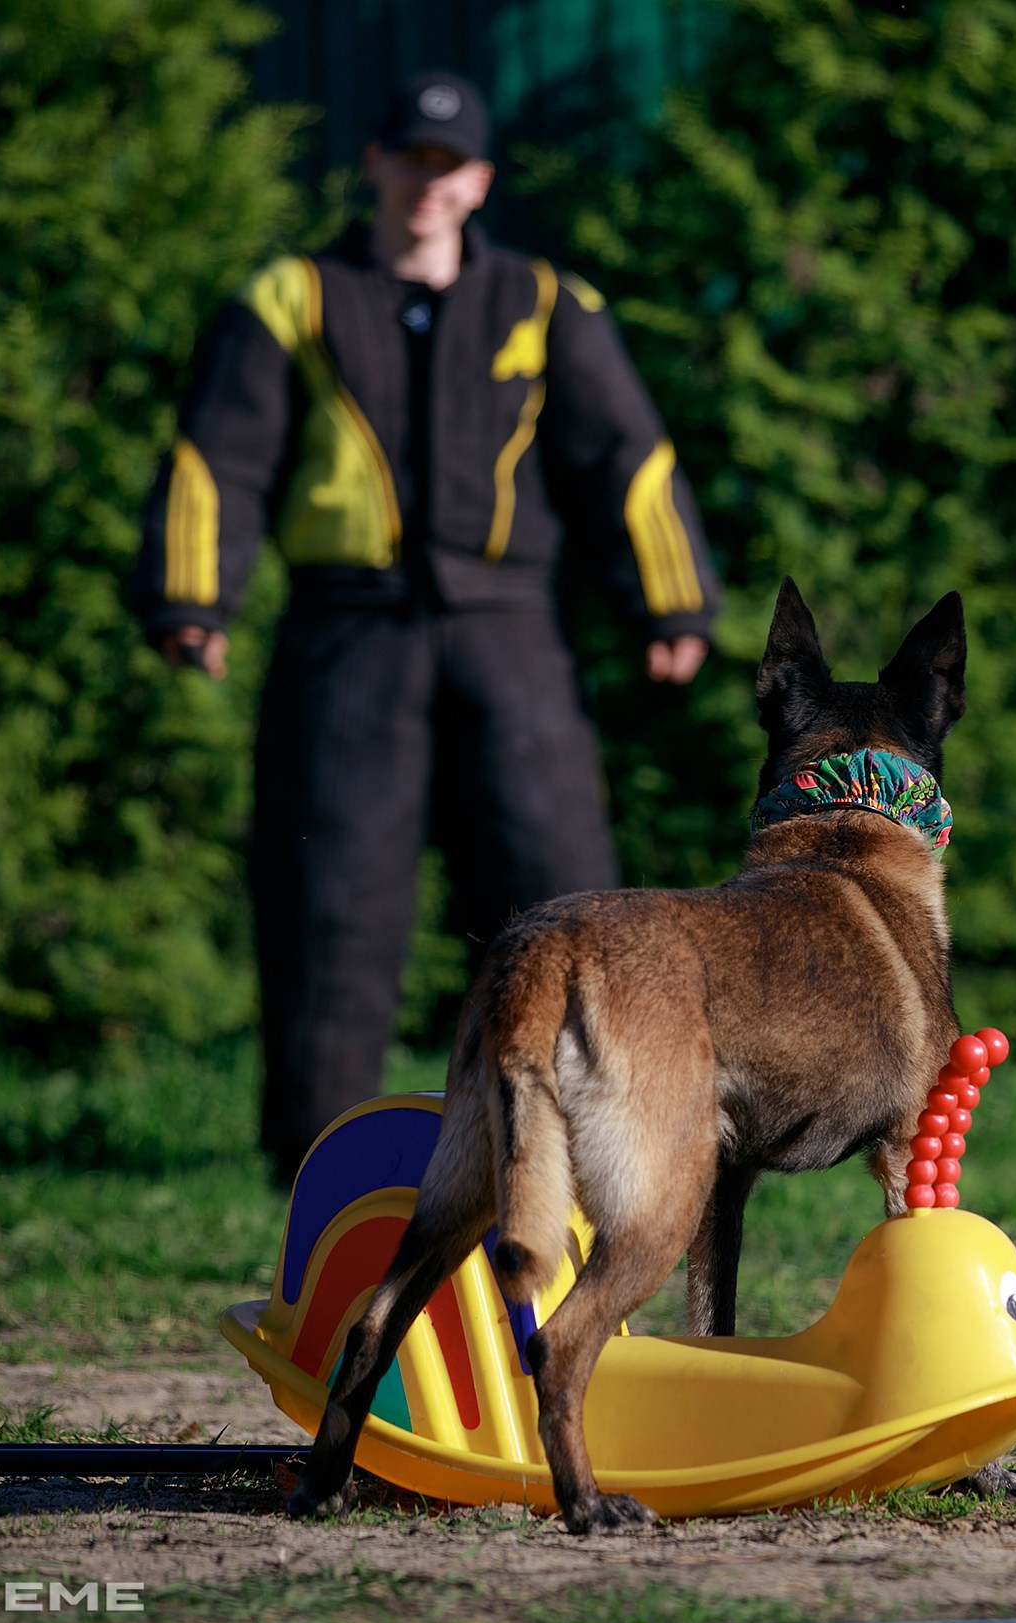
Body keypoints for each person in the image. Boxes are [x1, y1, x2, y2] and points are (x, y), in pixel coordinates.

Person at [132, 71, 721, 1183]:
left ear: (479, 183)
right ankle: (318, 1167)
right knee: (332, 896)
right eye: (408, 162)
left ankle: (580, 1151)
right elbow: (221, 454)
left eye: (448, 169)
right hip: (346, 638)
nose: (426, 186)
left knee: (565, 893)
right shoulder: (291, 298)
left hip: (510, 635)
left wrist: (670, 602)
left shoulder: (547, 303)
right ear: (374, 168)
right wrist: (191, 600)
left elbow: (626, 459)